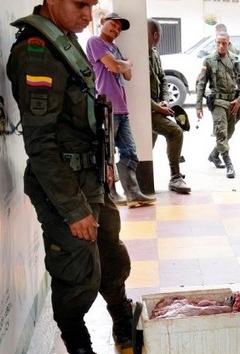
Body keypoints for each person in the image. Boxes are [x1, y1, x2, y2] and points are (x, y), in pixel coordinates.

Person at [7, 0, 143, 354]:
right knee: (76, 273)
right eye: (79, 4)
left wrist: (103, 172)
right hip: (64, 186)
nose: (88, 14)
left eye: (91, 5)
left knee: (111, 256)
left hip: (90, 178)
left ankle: (122, 321)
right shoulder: (37, 53)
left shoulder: (65, 41)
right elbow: (41, 144)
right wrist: (72, 209)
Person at [86, 12, 155, 207]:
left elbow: (128, 75)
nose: (116, 30)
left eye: (119, 28)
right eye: (113, 25)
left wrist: (122, 65)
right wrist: (126, 63)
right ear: (102, 22)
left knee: (130, 152)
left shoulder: (114, 48)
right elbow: (117, 68)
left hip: (121, 109)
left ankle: (133, 194)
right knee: (106, 153)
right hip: (107, 107)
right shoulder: (94, 42)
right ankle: (108, 195)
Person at [147, 19, 190, 195]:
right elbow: (138, 92)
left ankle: (136, 179)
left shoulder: (154, 53)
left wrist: (165, 100)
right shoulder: (138, 55)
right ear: (156, 35)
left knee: (147, 145)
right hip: (147, 110)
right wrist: (158, 108)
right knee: (175, 132)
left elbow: (163, 79)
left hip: (157, 107)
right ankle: (175, 177)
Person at [195, 32, 240, 179]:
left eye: (224, 43)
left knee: (229, 132)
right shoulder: (209, 60)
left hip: (232, 102)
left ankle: (214, 155)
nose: (221, 46)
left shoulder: (234, 59)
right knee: (221, 132)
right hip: (217, 102)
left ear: (229, 44)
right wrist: (198, 105)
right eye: (218, 43)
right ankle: (229, 164)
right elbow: (201, 84)